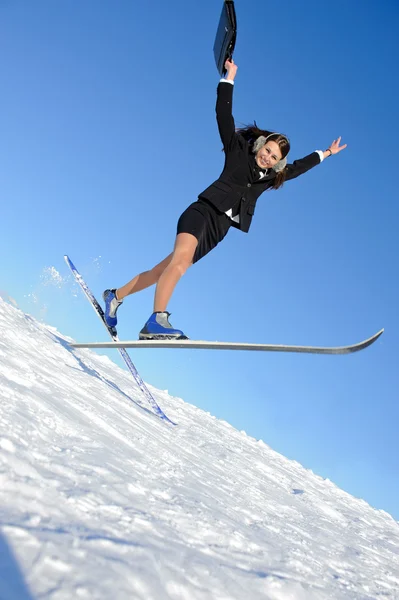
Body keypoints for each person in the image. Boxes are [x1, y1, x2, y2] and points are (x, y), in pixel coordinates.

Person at [103, 59, 347, 340]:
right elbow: (223, 116)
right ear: (261, 144)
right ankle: (156, 321)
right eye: (267, 149)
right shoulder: (237, 151)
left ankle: (115, 297)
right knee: (179, 264)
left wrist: (326, 154)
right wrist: (229, 79)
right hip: (202, 212)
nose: (267, 156)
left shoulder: (270, 178)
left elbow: (299, 168)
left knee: (163, 270)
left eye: (274, 157)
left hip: (218, 231)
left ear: (278, 163)